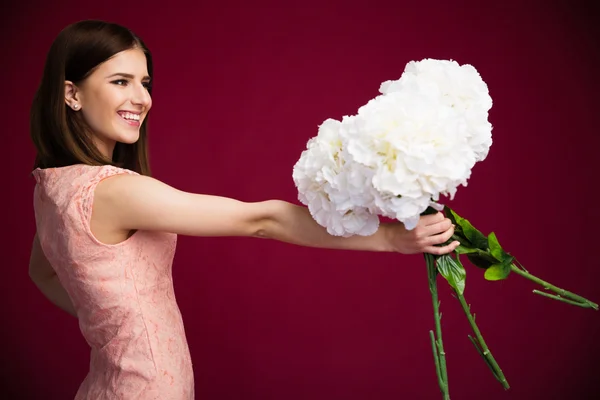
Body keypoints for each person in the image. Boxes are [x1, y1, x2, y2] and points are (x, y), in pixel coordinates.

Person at [27, 20, 460, 400]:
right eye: (121, 81)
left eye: (145, 82)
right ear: (72, 94)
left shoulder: (51, 186)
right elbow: (261, 220)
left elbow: (41, 273)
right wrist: (390, 239)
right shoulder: (115, 192)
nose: (141, 98)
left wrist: (112, 324)